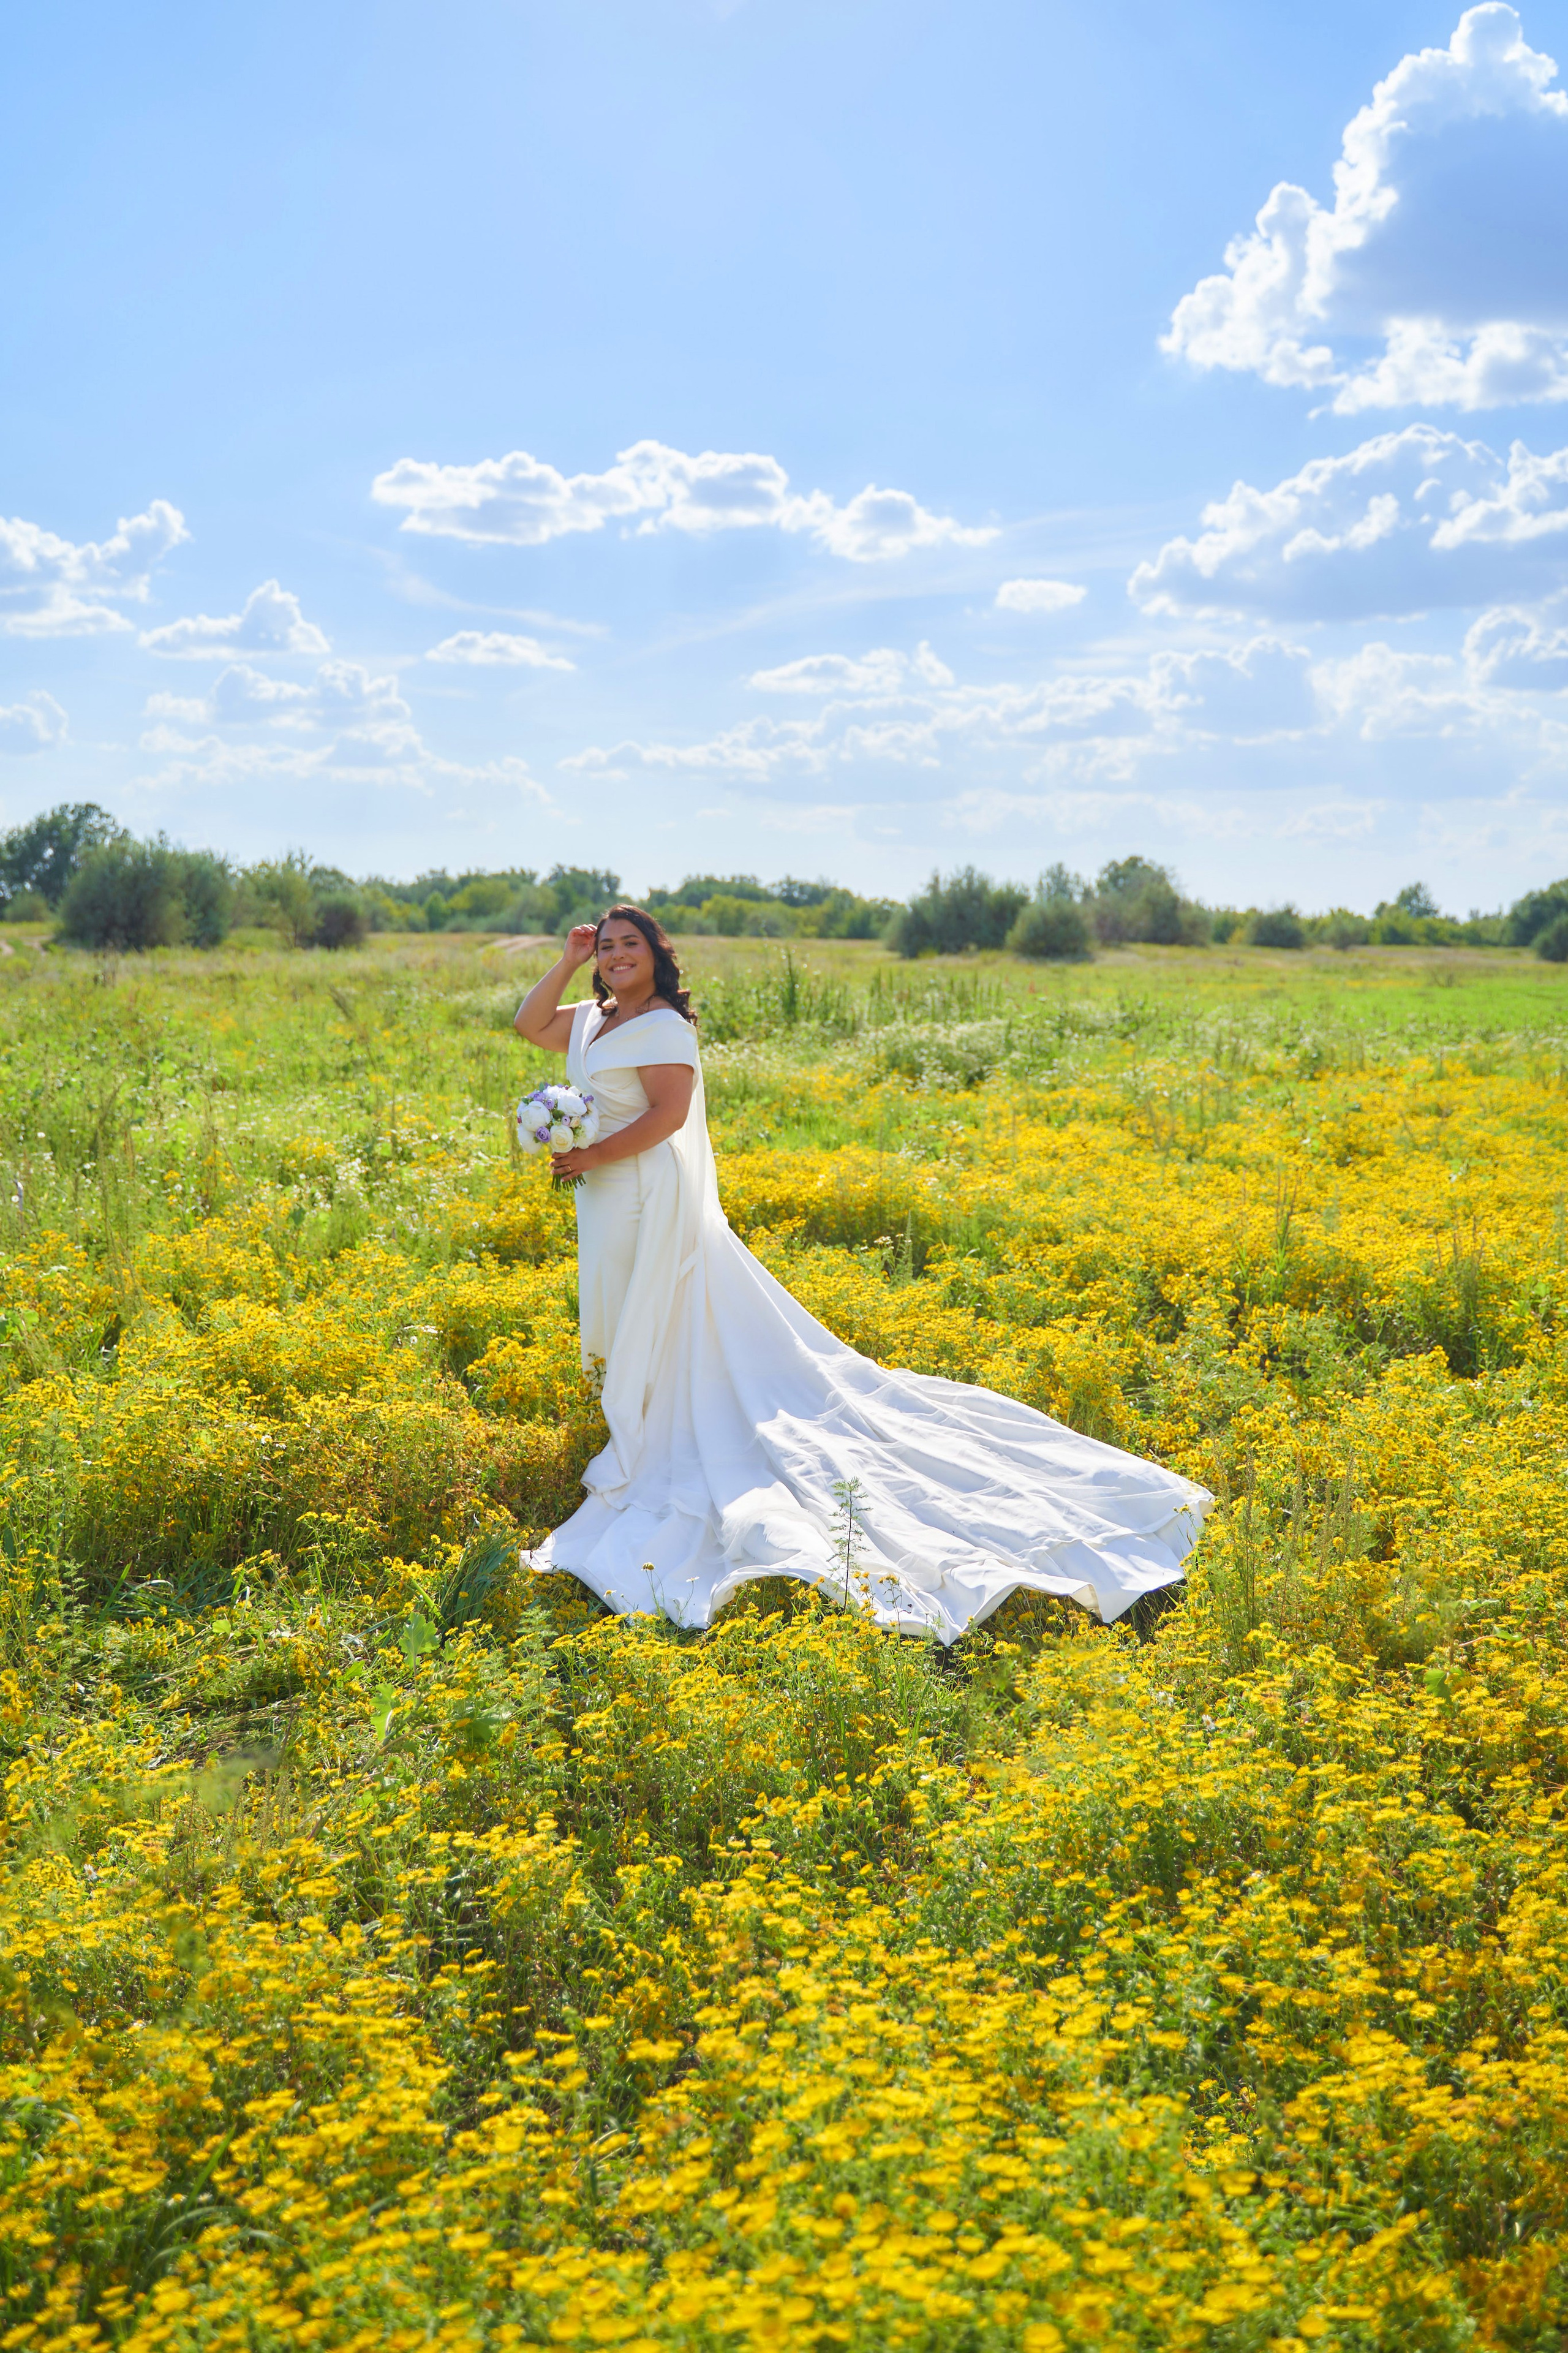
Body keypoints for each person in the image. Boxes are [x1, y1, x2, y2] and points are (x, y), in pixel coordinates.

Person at [514, 904, 1210, 1641]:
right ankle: (637, 1400)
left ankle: (655, 1415)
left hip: (642, 1191)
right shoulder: (595, 1019)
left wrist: (591, 1152)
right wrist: (567, 960)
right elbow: (530, 1024)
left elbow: (666, 1117)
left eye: (631, 944)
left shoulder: (661, 1026)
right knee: (624, 1302)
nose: (617, 955)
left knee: (660, 1305)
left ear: (657, 954)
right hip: (602, 1191)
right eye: (607, 947)